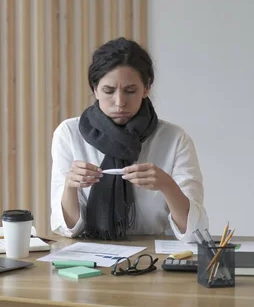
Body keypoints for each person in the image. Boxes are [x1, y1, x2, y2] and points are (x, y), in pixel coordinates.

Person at [50, 38, 208, 242]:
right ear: (95, 89)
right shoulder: (69, 134)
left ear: (146, 88)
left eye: (130, 91)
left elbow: (196, 231)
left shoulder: (174, 139)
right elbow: (65, 228)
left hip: (156, 262)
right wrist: (70, 186)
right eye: (108, 91)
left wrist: (167, 185)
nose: (120, 102)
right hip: (90, 259)